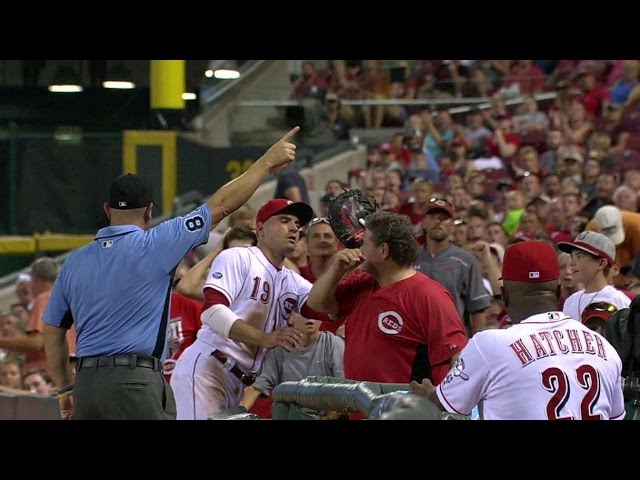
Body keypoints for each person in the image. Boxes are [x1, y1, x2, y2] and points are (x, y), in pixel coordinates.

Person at [42, 127, 301, 420]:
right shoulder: (157, 243)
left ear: (106, 209)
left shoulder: (73, 263)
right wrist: (266, 161)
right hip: (135, 383)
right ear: (150, 211)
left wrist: (65, 390)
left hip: (87, 386)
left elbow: (52, 333)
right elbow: (221, 204)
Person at [410, 241, 626, 420]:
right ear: (559, 291)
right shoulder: (602, 346)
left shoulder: (489, 344)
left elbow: (442, 408)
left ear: (504, 295)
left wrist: (426, 397)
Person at [170, 197, 315, 420]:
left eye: (297, 224)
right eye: (285, 220)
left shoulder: (292, 280)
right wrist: (265, 338)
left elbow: (324, 305)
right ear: (260, 229)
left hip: (238, 380)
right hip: (208, 368)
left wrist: (342, 267)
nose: (294, 227)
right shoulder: (238, 256)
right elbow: (211, 311)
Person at [307, 211, 468, 385]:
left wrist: (437, 402)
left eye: (364, 244)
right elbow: (316, 304)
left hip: (403, 409)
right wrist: (336, 270)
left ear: (383, 250)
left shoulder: (429, 295)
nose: (359, 250)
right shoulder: (362, 284)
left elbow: (456, 358)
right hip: (358, 406)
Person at [239, 313, 344, 416]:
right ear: (290, 318)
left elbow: (344, 389)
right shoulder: (279, 351)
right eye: (303, 312)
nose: (310, 318)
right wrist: (239, 413)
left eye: (315, 313)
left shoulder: (334, 344)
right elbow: (257, 387)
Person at [414, 198, 490, 335]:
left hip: (452, 342)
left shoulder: (466, 260)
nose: (438, 221)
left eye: (443, 218)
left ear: (452, 226)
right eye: (432, 217)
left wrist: (475, 344)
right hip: (416, 340)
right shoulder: (409, 259)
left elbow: (478, 308)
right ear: (423, 223)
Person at [558, 231, 630, 322]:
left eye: (579, 257)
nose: (571, 263)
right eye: (572, 257)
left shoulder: (620, 302)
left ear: (601, 263)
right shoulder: (570, 301)